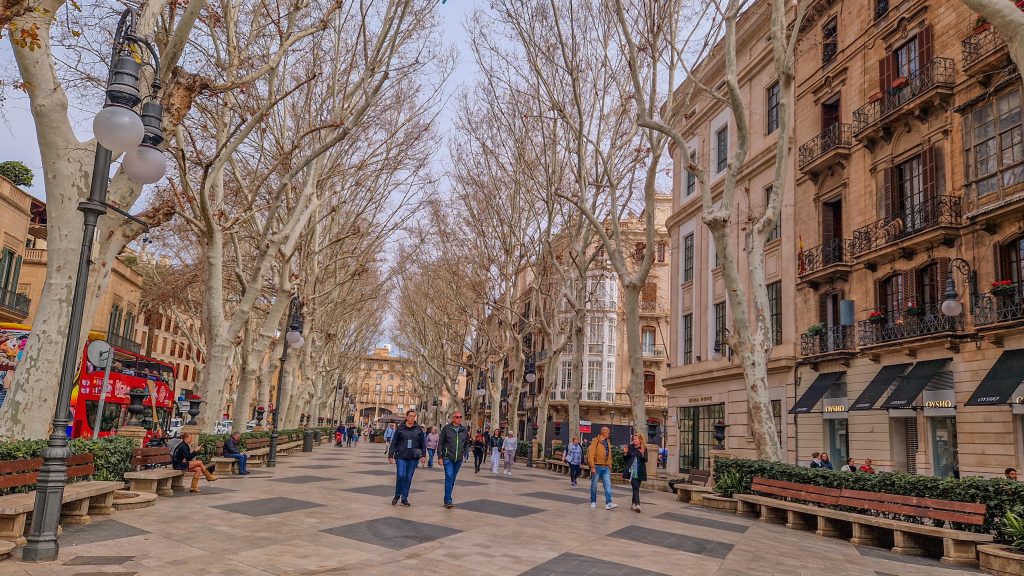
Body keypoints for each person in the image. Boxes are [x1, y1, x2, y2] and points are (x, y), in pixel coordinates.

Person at [387, 410, 426, 506]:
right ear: (406, 417)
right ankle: (397, 495)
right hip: (401, 456)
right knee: (401, 475)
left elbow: (423, 443)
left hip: (413, 457)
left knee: (408, 477)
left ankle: (404, 498)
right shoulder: (400, 428)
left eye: (414, 416)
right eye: (411, 416)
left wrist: (424, 455)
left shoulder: (418, 429)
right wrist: (390, 455)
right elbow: (394, 442)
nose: (412, 418)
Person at [437, 411, 471, 509]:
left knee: (452, 479)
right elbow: (440, 443)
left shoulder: (464, 430)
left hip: (458, 459)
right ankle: (448, 499)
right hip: (447, 457)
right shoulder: (446, 429)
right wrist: (440, 456)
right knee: (449, 476)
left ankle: (446, 498)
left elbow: (467, 443)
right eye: (457, 417)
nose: (459, 419)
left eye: (460, 417)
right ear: (452, 418)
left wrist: (465, 452)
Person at [587, 427, 617, 510]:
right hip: (597, 466)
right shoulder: (595, 440)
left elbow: (609, 454)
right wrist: (592, 466)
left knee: (608, 485)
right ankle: (593, 501)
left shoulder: (608, 441)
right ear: (604, 432)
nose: (609, 434)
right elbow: (591, 454)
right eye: (608, 432)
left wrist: (610, 464)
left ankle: (609, 503)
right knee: (594, 485)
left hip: (606, 467)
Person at [624, 433, 648, 512]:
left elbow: (645, 460)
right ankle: (637, 504)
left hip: (640, 471)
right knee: (636, 487)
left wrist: (642, 454)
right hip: (632, 471)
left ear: (640, 440)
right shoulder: (630, 447)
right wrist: (625, 453)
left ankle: (633, 504)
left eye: (636, 439)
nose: (634, 441)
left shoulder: (644, 448)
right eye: (634, 439)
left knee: (636, 487)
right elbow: (626, 459)